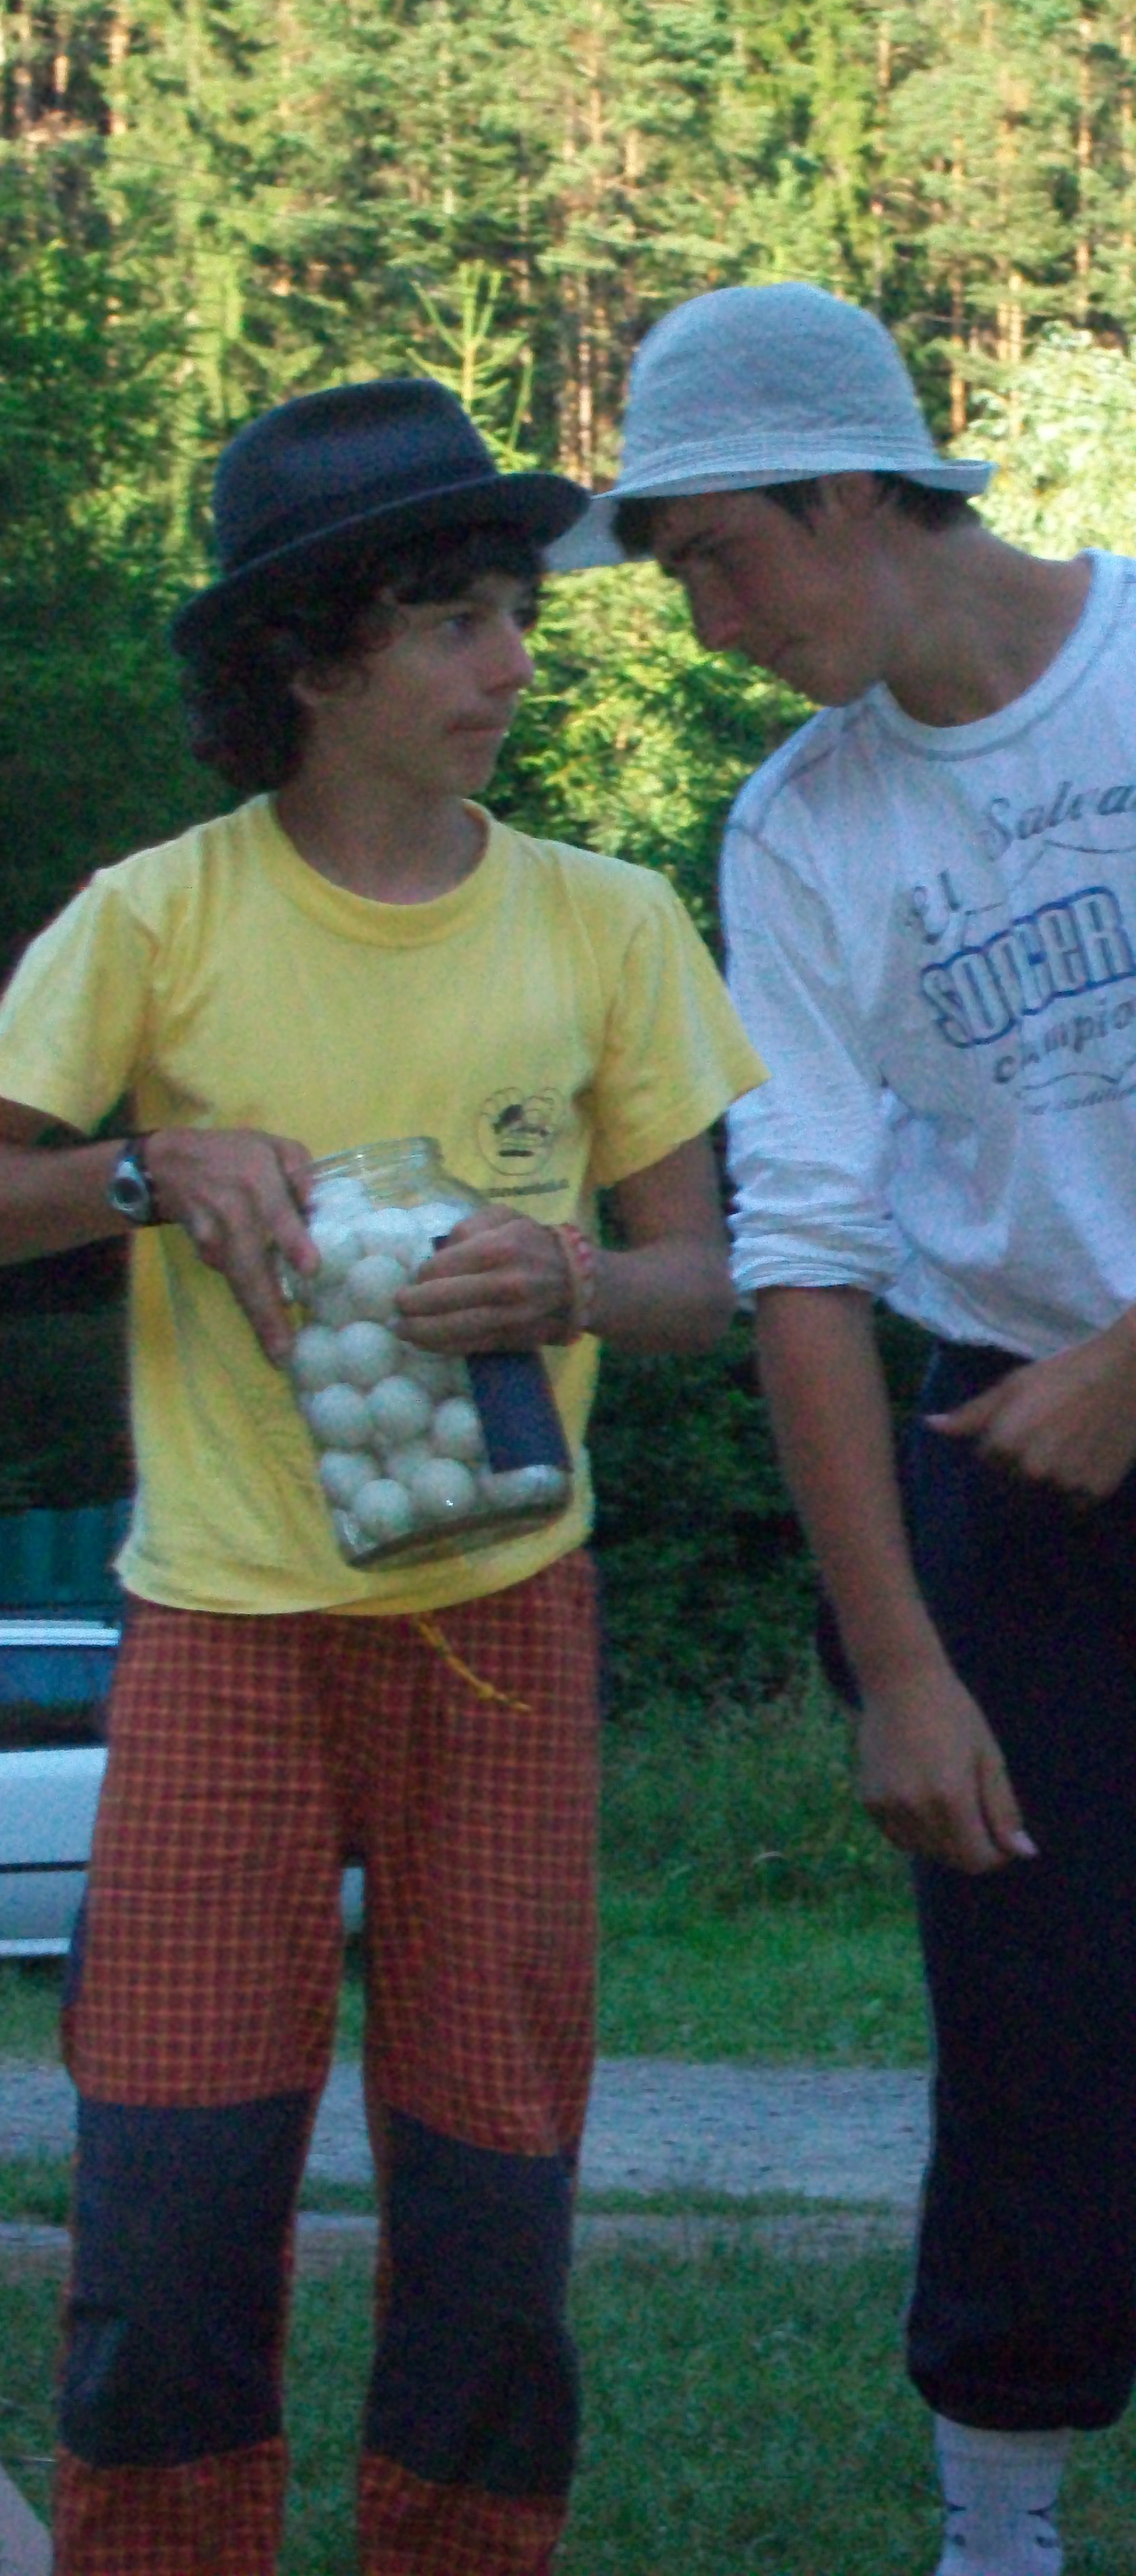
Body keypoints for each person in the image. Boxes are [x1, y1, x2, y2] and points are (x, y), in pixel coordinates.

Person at [0, 375, 762, 2576]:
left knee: (492, 2193)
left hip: (508, 1627)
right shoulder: (155, 917)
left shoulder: (606, 918)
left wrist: (568, 1273)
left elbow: (704, 1282)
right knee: (173, 2196)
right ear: (308, 657)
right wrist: (146, 1172)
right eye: (457, 622)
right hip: (225, 1636)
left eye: (515, 614)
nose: (512, 662)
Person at [549, 277, 1136, 2575]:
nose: (707, 623)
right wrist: (898, 1664)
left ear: (855, 493)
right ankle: (999, 2526)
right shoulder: (801, 829)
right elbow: (799, 1249)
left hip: (1105, 1377)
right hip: (1006, 1465)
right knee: (1036, 2024)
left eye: (719, 557)